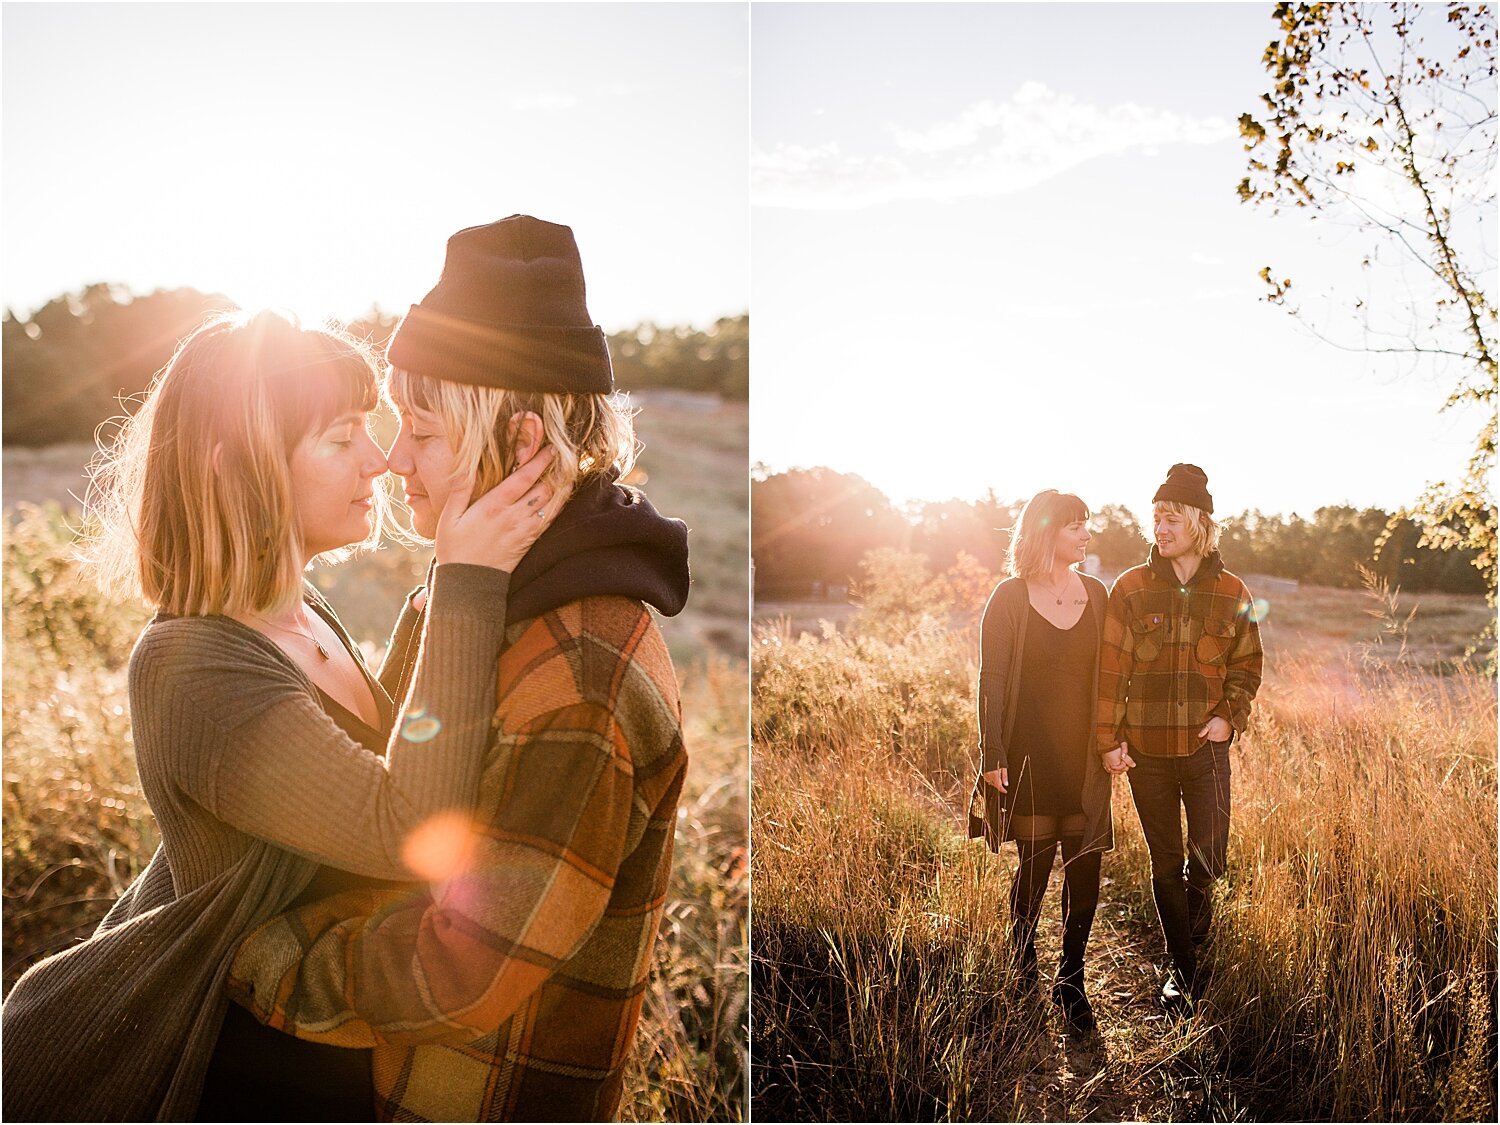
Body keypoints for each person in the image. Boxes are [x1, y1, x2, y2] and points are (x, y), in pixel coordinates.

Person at [0, 309, 560, 1120]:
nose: (377, 459)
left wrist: (451, 577)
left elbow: (408, 746)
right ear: (241, 468)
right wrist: (467, 582)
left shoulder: (305, 616)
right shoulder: (192, 666)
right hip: (250, 1072)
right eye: (340, 439)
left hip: (337, 1047)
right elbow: (410, 828)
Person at [225, 215, 692, 1121]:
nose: (394, 458)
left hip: (469, 1096)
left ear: (519, 444)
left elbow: (465, 969)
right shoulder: (476, 594)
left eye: (424, 432)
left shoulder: (581, 670)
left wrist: (261, 957)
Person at [1097, 463, 1263, 1009]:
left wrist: (1229, 717)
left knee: (1210, 856)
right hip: (1146, 752)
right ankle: (1183, 968)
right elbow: (1110, 672)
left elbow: (1247, 665)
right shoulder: (1130, 589)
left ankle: (1192, 939)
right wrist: (1108, 739)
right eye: (1156, 519)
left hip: (1206, 750)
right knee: (1165, 860)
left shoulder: (1233, 590)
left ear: (1198, 521)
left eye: (1170, 518)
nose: (1160, 528)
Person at [967, 489, 1114, 1034]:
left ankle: (1070, 979)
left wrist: (1114, 740)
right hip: (1026, 755)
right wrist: (992, 754)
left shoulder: (1098, 595)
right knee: (1032, 871)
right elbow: (993, 681)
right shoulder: (1009, 597)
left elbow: (1114, 679)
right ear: (1047, 532)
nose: (1086, 534)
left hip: (1083, 760)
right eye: (1076, 525)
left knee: (1087, 868)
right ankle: (1023, 968)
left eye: (1087, 524)